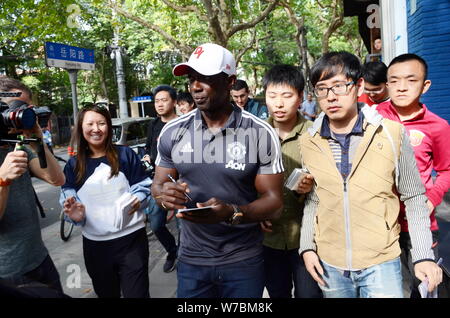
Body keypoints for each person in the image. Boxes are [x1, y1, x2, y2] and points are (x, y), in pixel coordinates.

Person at [299, 51, 442, 298]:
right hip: (330, 263)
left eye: (340, 86)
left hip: (381, 261)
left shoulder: (392, 133)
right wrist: (307, 247)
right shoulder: (308, 141)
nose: (331, 96)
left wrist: (422, 255)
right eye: (322, 88)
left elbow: (414, 198)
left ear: (359, 86)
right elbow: (314, 198)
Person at [151, 43, 284, 298]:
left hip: (243, 261)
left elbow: (275, 203)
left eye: (206, 78)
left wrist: (232, 212)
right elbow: (158, 185)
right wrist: (164, 195)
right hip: (191, 260)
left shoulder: (259, 132)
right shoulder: (172, 132)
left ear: (229, 81)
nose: (195, 86)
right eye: (192, 79)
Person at [376, 53, 450, 297]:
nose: (402, 87)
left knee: (425, 286)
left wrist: (432, 197)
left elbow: (446, 169)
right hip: (379, 222)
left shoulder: (437, 126)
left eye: (410, 80)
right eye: (394, 81)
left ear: (425, 85)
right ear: (386, 85)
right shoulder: (373, 117)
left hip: (419, 222)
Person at [60, 104, 151, 298]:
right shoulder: (74, 164)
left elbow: (144, 185)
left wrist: (139, 198)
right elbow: (68, 197)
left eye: (101, 123)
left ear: (108, 127)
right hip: (95, 246)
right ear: (80, 127)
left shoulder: (125, 154)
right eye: (90, 123)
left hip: (132, 241)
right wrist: (75, 216)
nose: (96, 128)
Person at [0, 76, 66, 295]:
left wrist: (37, 138)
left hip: (39, 258)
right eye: (17, 108)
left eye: (27, 107)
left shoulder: (19, 144)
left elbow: (57, 179)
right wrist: (3, 180)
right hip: (8, 272)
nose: (24, 114)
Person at [262, 64, 322, 298]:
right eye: (272, 96)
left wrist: (309, 188)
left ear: (300, 97)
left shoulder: (315, 133)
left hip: (308, 238)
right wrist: (255, 213)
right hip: (269, 238)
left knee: (310, 295)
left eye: (286, 96)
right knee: (277, 293)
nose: (278, 103)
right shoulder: (257, 133)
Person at [143, 85, 179, 273]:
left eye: (164, 100)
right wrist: (147, 156)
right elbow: (148, 147)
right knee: (156, 224)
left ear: (174, 102)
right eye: (157, 101)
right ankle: (172, 251)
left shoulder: (183, 124)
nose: (160, 104)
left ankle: (184, 257)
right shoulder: (153, 125)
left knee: (185, 227)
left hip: (181, 184)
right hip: (159, 184)